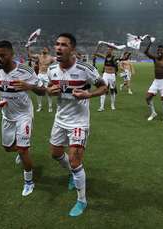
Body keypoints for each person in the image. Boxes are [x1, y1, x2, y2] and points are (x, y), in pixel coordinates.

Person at [46, 33, 107, 216]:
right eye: (57, 44)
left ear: (72, 49)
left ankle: (82, 201)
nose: (58, 48)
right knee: (55, 153)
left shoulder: (85, 69)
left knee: (74, 161)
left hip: (78, 122)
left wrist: (88, 95)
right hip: (60, 119)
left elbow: (104, 87)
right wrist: (50, 91)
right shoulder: (52, 69)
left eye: (63, 45)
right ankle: (73, 175)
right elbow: (50, 87)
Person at [0, 40, 46, 196]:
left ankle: (29, 182)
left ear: (12, 54)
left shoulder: (26, 71)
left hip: (23, 115)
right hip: (7, 115)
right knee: (7, 148)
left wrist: (30, 86)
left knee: (22, 149)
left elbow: (42, 90)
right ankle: (22, 149)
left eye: (3, 55)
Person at [144, 40, 163, 123]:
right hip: (156, 81)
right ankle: (153, 113)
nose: (159, 51)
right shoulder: (155, 58)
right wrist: (150, 43)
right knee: (148, 98)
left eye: (161, 50)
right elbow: (146, 52)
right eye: (158, 50)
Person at [27, 46, 56, 112]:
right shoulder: (39, 56)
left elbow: (58, 61)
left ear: (48, 51)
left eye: (45, 48)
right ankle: (39, 107)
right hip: (40, 75)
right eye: (43, 48)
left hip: (47, 75)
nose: (43, 49)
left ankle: (50, 107)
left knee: (49, 91)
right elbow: (30, 56)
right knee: (39, 92)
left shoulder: (50, 58)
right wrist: (28, 48)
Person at [94, 45, 120, 111]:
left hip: (112, 75)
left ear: (112, 51)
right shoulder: (105, 57)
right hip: (105, 75)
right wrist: (98, 46)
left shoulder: (114, 58)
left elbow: (118, 63)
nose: (108, 51)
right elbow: (96, 53)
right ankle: (101, 107)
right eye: (107, 50)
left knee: (112, 90)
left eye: (109, 50)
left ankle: (112, 105)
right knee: (103, 89)